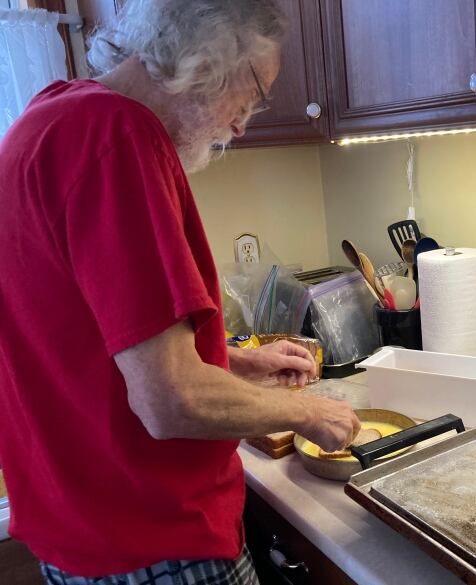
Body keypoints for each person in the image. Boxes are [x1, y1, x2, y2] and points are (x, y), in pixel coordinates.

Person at [0, 1, 361, 583]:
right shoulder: (115, 138)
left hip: (83, 530)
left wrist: (237, 362)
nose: (243, 123)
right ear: (207, 54)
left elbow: (95, 347)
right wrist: (310, 412)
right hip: (150, 538)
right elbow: (171, 401)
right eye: (252, 92)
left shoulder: (54, 115)